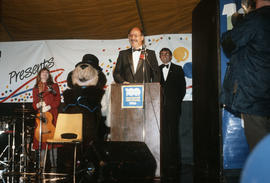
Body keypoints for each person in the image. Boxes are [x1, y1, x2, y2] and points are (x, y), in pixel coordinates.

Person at [221, 0, 270, 151]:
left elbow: (228, 42)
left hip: (256, 95)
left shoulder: (256, 19)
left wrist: (239, 22)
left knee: (260, 152)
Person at [159, 48, 186, 182]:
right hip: (158, 110)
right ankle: (162, 163)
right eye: (162, 54)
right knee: (161, 135)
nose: (164, 56)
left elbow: (182, 88)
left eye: (166, 54)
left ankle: (175, 163)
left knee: (173, 134)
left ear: (170, 56)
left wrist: (175, 103)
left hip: (173, 109)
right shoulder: (155, 69)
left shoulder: (178, 69)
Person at [32, 67, 61, 169]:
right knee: (41, 141)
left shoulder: (54, 86)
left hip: (52, 116)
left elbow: (58, 100)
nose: (44, 74)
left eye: (46, 73)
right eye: (42, 72)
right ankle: (41, 167)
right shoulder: (36, 88)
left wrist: (50, 106)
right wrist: (39, 104)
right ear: (39, 75)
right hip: (41, 118)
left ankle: (54, 166)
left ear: (49, 75)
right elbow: (34, 105)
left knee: (53, 142)